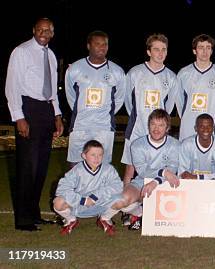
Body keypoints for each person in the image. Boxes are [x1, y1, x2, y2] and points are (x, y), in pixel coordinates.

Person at [5, 17, 64, 231]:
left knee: (41, 167)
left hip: (46, 110)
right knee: (27, 166)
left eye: (48, 30)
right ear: (34, 30)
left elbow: (52, 89)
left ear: (52, 33)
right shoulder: (21, 52)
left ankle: (34, 214)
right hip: (28, 109)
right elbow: (12, 85)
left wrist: (57, 115)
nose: (44, 32)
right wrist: (18, 116)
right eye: (41, 29)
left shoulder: (51, 55)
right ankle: (23, 220)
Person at [121, 34, 177, 183]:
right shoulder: (135, 72)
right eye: (156, 49)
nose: (160, 53)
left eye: (163, 49)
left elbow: (169, 106)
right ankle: (125, 199)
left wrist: (159, 123)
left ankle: (151, 202)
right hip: (137, 127)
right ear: (148, 52)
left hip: (158, 129)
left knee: (158, 165)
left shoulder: (171, 77)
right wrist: (137, 116)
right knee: (130, 168)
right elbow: (127, 100)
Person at [65, 30, 125, 166]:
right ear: (88, 46)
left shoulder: (117, 71)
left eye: (105, 44)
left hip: (103, 127)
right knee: (75, 165)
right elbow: (70, 96)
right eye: (97, 44)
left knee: (102, 166)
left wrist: (104, 113)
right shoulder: (75, 68)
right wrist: (83, 111)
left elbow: (119, 99)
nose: (102, 47)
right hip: (80, 125)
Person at [119, 109, 180, 230]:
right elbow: (142, 171)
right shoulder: (137, 144)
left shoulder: (175, 144)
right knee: (121, 202)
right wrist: (163, 172)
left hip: (167, 183)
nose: (156, 129)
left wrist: (156, 181)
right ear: (148, 125)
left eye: (161, 125)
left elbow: (172, 169)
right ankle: (139, 212)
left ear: (167, 128)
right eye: (153, 124)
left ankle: (145, 212)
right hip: (143, 181)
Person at [53, 140, 123, 236]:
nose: (97, 158)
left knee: (121, 200)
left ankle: (105, 218)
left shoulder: (108, 169)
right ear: (84, 156)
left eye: (100, 155)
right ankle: (71, 220)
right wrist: (83, 200)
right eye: (93, 155)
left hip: (100, 204)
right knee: (58, 202)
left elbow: (118, 186)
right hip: (80, 205)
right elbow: (62, 189)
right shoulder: (77, 170)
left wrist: (96, 196)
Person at [174, 34, 215, 141]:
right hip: (188, 125)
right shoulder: (184, 73)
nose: (205, 51)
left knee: (209, 156)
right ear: (194, 51)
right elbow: (178, 100)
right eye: (201, 47)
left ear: (211, 51)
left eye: (208, 48)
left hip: (211, 125)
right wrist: (186, 117)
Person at [178, 113, 215, 180]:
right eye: (202, 126)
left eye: (209, 126)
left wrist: (197, 177)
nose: (206, 130)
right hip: (192, 184)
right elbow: (183, 174)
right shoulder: (186, 145)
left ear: (213, 128)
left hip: (214, 185)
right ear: (196, 128)